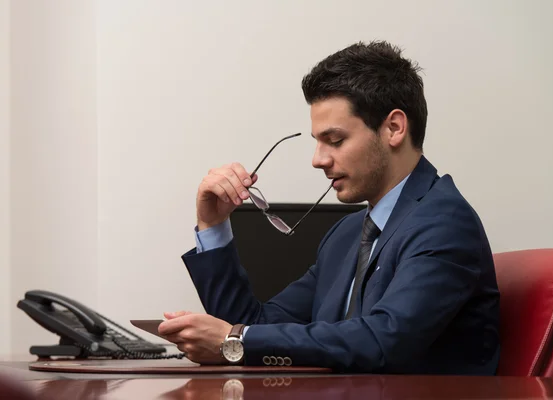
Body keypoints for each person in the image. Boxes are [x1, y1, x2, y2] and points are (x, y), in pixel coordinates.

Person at [158, 40, 501, 375]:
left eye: (335, 141)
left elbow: (385, 340)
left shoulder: (445, 222)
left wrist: (238, 339)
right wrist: (213, 226)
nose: (318, 160)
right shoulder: (348, 233)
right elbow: (254, 326)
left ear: (394, 128)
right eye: (318, 142)